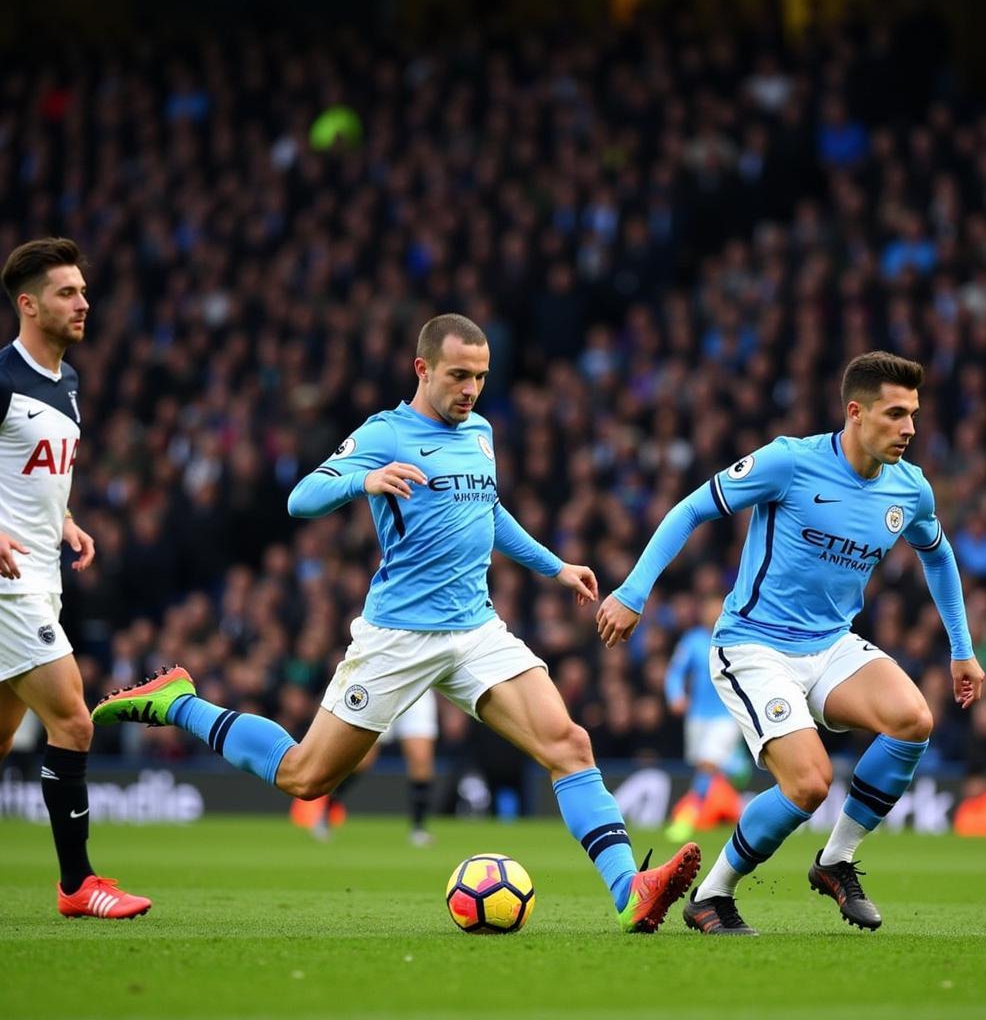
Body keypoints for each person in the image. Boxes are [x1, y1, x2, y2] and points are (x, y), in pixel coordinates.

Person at [94, 313, 700, 933]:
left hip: (475, 631)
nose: (471, 389)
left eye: (481, 377)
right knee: (307, 777)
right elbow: (299, 498)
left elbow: (487, 510)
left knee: (569, 745)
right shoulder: (385, 433)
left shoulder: (482, 432)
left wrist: (554, 567)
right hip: (398, 637)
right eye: (458, 375)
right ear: (423, 368)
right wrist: (364, 479)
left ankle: (630, 890)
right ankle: (179, 702)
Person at [596, 351, 984, 935]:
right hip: (753, 646)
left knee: (913, 719)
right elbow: (692, 508)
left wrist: (962, 647)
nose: (909, 429)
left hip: (830, 645)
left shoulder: (910, 489)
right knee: (808, 783)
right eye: (895, 414)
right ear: (855, 413)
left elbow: (939, 555)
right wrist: (633, 591)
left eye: (914, 416)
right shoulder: (790, 462)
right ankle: (713, 895)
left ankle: (836, 860)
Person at [0, 237, 151, 919]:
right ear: (28, 305)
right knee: (73, 717)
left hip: (42, 569)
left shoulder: (67, 381)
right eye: (67, 293)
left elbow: (37, 472)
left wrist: (66, 521)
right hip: (7, 577)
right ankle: (77, 883)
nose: (84, 302)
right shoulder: (3, 376)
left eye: (84, 291)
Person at [295, 689, 438, 846]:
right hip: (386, 686)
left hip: (419, 688)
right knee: (362, 761)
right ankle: (325, 814)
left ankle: (418, 829)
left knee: (421, 759)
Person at [663, 594, 747, 843]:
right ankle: (735, 800)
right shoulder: (692, 641)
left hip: (727, 715)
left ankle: (688, 817)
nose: (713, 614)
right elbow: (675, 672)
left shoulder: (738, 640)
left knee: (707, 764)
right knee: (708, 766)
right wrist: (675, 695)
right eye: (709, 609)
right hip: (698, 716)